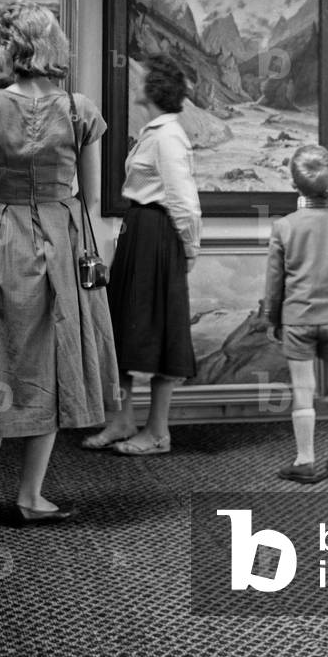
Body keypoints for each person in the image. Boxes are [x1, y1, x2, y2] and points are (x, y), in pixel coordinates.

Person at [0, 0, 120, 525]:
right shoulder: (80, 110)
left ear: (15, 48)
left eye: (1, 41)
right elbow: (91, 196)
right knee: (52, 362)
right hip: (60, 240)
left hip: (2, 238)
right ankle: (29, 498)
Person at [81, 53, 201, 455]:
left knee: (162, 331)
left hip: (158, 235)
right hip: (140, 232)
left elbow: (184, 202)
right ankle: (122, 420)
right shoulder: (155, 132)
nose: (136, 81)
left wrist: (189, 249)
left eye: (143, 77)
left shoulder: (168, 136)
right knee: (125, 327)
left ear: (155, 88)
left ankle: (158, 432)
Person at [264, 145, 328, 483]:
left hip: (297, 319)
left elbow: (275, 282)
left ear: (294, 184)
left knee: (303, 389)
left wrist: (272, 318)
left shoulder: (284, 226)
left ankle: (305, 460)